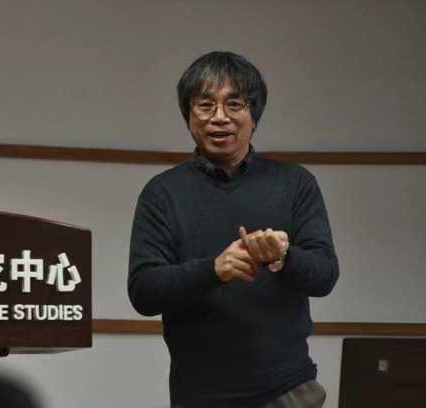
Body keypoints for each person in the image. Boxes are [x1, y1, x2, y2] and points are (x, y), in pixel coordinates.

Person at [127, 51, 339, 407]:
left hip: (288, 389)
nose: (220, 117)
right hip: (200, 393)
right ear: (189, 115)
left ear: (254, 116)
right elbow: (143, 292)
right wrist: (214, 270)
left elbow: (325, 276)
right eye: (205, 105)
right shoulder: (162, 193)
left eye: (235, 104)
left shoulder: (295, 183)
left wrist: (283, 256)